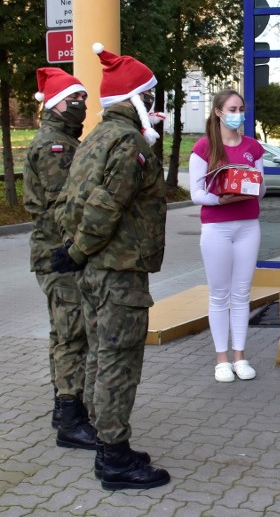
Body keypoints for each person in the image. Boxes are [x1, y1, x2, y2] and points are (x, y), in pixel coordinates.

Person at [52, 43, 170, 490]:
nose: (156, 105)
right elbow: (104, 206)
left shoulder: (97, 137)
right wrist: (80, 250)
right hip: (117, 273)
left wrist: (75, 251)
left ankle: (108, 446)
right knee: (118, 364)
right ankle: (115, 461)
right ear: (136, 98)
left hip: (97, 272)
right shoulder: (128, 143)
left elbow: (70, 202)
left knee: (102, 359)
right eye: (151, 95)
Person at [23, 67, 97, 450]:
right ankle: (70, 417)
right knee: (72, 334)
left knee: (62, 331)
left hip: (52, 253)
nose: (81, 105)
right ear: (55, 103)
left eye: (83, 98)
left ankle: (63, 405)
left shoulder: (61, 140)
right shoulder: (56, 147)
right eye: (75, 99)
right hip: (59, 254)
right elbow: (63, 206)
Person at [189, 89, 266, 383]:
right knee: (220, 294)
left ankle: (240, 356)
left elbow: (261, 189)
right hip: (216, 227)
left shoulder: (252, 147)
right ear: (219, 112)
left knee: (242, 293)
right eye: (232, 109)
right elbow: (196, 193)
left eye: (241, 108)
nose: (238, 114)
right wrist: (220, 199)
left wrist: (249, 183)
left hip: (248, 225)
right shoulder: (204, 147)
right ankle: (222, 359)